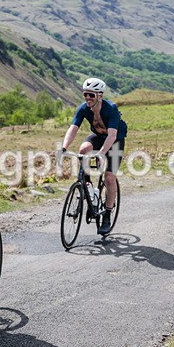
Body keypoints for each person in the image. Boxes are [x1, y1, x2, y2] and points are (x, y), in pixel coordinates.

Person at [60, 77, 127, 235]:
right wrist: (63, 147)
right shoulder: (83, 108)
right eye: (85, 95)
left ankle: (108, 215)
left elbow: (112, 136)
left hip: (115, 141)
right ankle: (88, 188)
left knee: (109, 177)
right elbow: (73, 128)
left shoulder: (111, 109)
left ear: (99, 96)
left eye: (91, 95)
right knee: (83, 150)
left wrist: (101, 154)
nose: (88, 98)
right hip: (98, 136)